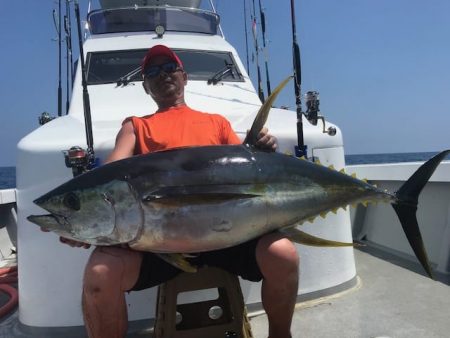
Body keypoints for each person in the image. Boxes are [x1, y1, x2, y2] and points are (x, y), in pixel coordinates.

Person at [62, 45, 299, 338]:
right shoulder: (136, 126)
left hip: (228, 237)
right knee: (100, 273)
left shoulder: (217, 123)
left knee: (283, 255)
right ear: (146, 86)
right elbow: (110, 175)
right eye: (152, 72)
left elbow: (244, 169)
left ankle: (280, 334)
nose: (162, 75)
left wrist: (263, 147)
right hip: (158, 247)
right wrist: (85, 217)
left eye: (169, 68)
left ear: (184, 77)